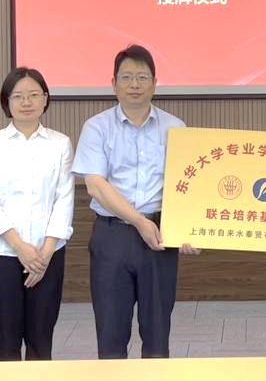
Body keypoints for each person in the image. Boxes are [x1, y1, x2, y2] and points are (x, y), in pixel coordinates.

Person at [72, 44, 198, 359]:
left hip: (160, 236)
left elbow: (187, 186)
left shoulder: (175, 128)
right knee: (111, 335)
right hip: (112, 236)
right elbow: (96, 185)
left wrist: (189, 230)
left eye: (142, 77)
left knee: (157, 335)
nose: (134, 84)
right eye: (126, 77)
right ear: (113, 83)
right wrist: (139, 221)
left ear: (155, 83)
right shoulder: (97, 127)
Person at [0, 67, 74, 361]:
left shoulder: (60, 144)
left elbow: (64, 200)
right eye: (18, 96)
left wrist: (43, 254)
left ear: (45, 99)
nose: (26, 102)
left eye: (33, 95)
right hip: (1, 254)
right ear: (6, 102)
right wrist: (20, 248)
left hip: (48, 255)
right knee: (6, 343)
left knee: (41, 342)